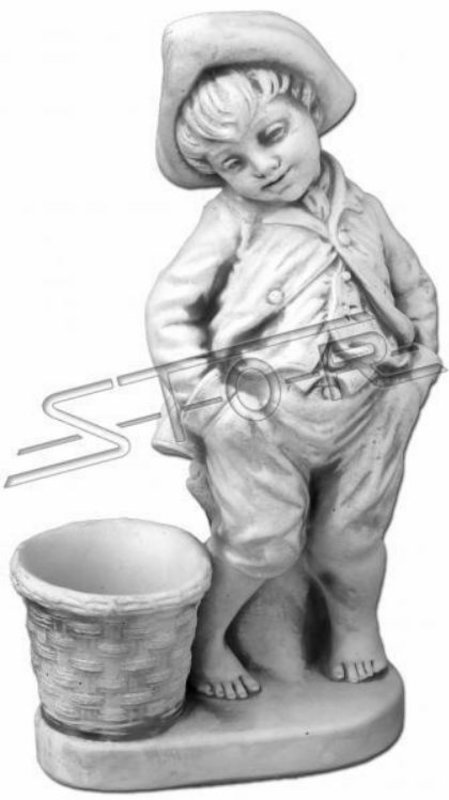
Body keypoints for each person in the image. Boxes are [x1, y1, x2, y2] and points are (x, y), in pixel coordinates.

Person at [145, 12, 441, 700]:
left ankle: (355, 628)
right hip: (263, 417)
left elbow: (413, 284)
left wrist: (420, 366)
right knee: (259, 543)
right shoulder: (229, 221)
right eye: (233, 162)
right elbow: (170, 310)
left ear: (307, 107)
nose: (263, 166)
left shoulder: (363, 207)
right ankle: (208, 642)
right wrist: (210, 401)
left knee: (354, 535)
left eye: (272, 135)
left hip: (370, 407)